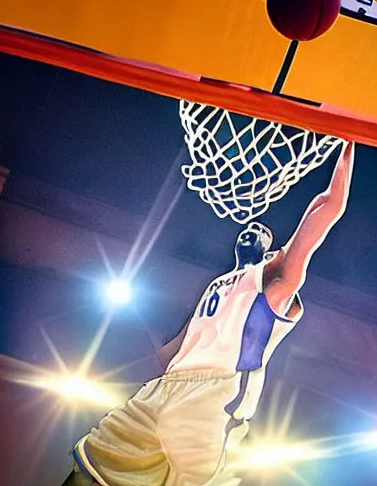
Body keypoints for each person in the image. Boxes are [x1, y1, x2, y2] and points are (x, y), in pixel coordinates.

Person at [63, 142, 355, 486]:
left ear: (277, 254)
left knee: (100, 461)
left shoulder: (272, 288)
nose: (257, 230)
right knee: (95, 464)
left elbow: (326, 208)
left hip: (197, 394)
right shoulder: (221, 286)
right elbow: (169, 352)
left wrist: (348, 145)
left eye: (268, 235)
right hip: (184, 394)